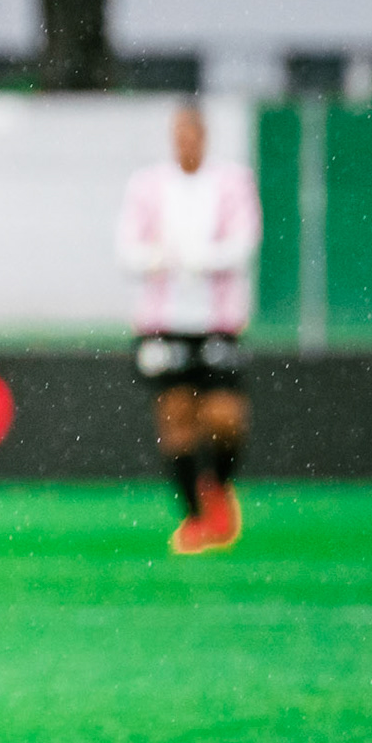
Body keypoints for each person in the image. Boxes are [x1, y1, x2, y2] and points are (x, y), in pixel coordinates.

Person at [116, 101, 262, 554]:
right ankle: (195, 519)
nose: (186, 141)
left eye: (193, 133)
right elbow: (127, 249)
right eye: (179, 133)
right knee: (176, 417)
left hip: (217, 321)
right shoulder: (148, 185)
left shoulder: (232, 182)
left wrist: (204, 257)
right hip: (165, 323)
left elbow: (245, 241)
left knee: (225, 419)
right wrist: (160, 259)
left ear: (204, 136)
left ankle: (217, 486)